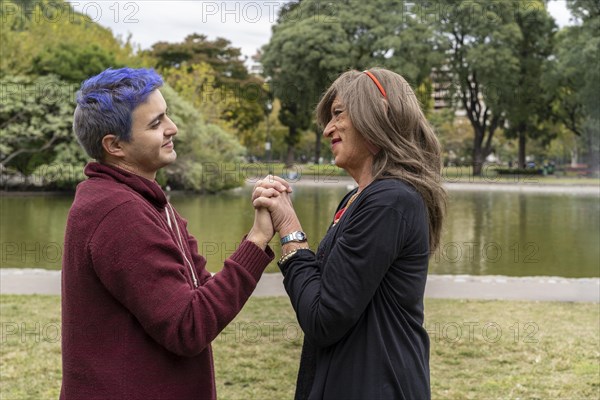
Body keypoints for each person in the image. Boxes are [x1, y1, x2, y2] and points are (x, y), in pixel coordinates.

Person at [61, 67, 280, 399]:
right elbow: (188, 327)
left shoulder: (148, 203)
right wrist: (257, 241)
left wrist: (257, 232)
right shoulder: (118, 213)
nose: (172, 128)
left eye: (166, 116)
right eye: (155, 123)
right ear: (115, 145)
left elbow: (202, 297)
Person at [253, 68, 447, 400]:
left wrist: (289, 231)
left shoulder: (390, 201)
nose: (328, 129)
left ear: (376, 117)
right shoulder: (360, 198)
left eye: (338, 114)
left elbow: (323, 318)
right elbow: (331, 296)